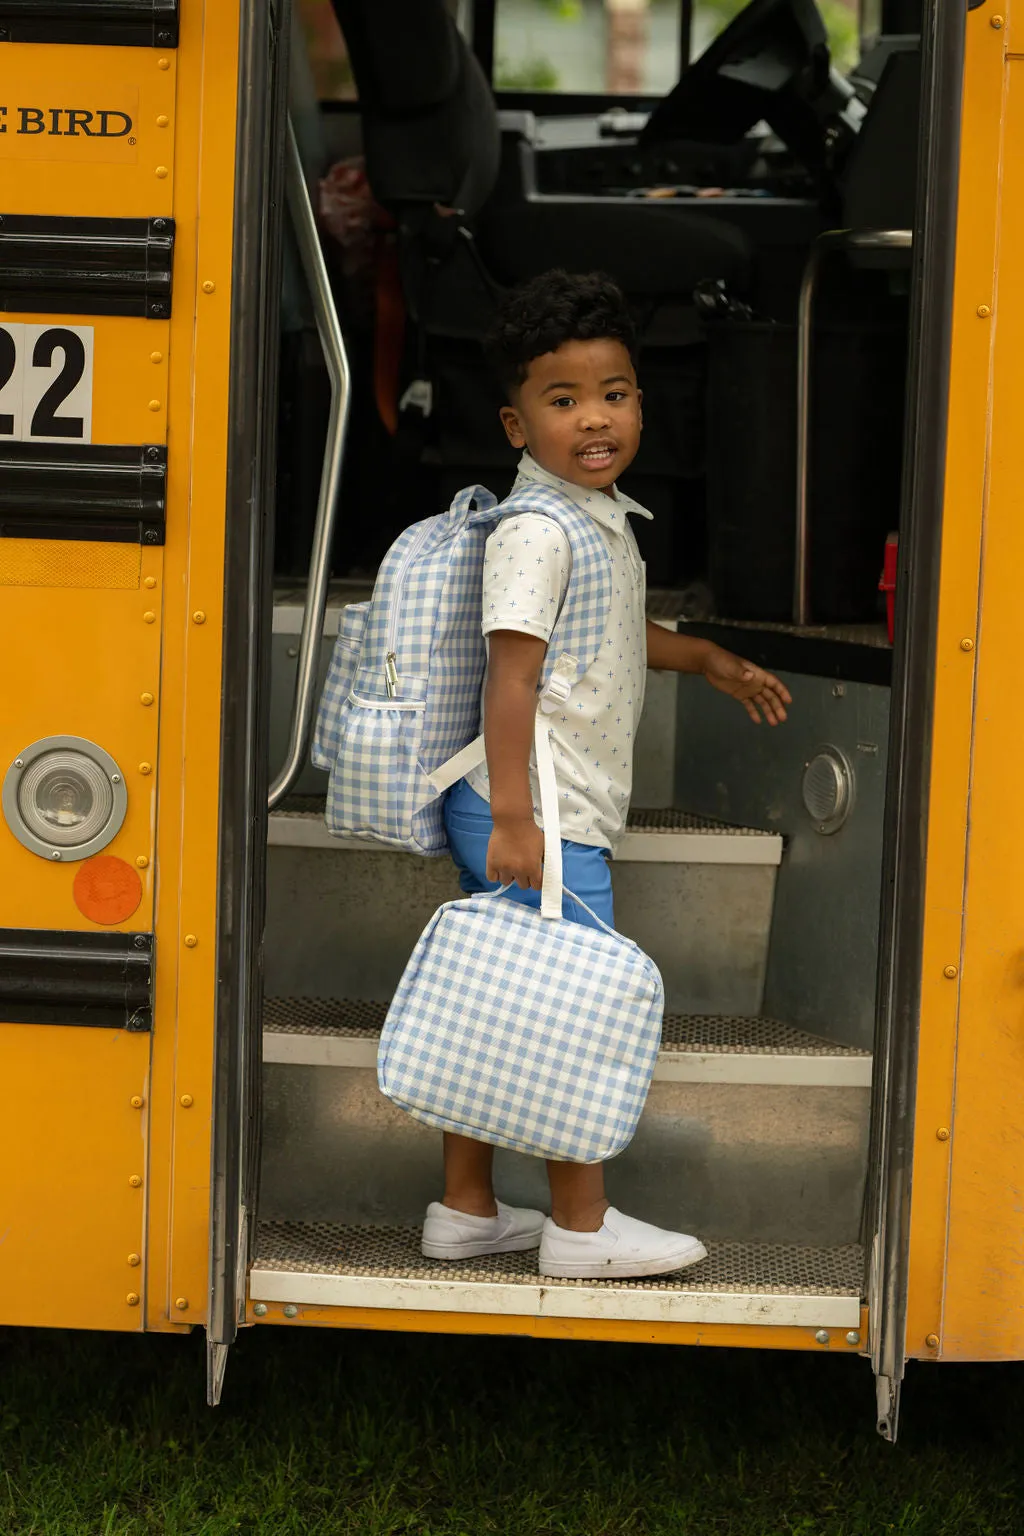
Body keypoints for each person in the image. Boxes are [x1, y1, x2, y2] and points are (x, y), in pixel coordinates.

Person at [422, 270, 792, 1280]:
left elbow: (608, 634)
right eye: (563, 400)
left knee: (504, 1001)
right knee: (572, 1010)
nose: (595, 418)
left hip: (541, 804)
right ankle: (580, 1229)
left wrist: (705, 658)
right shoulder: (538, 530)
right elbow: (513, 674)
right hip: (535, 806)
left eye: (615, 393)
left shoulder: (591, 517)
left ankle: (466, 1209)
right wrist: (511, 816)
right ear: (515, 422)